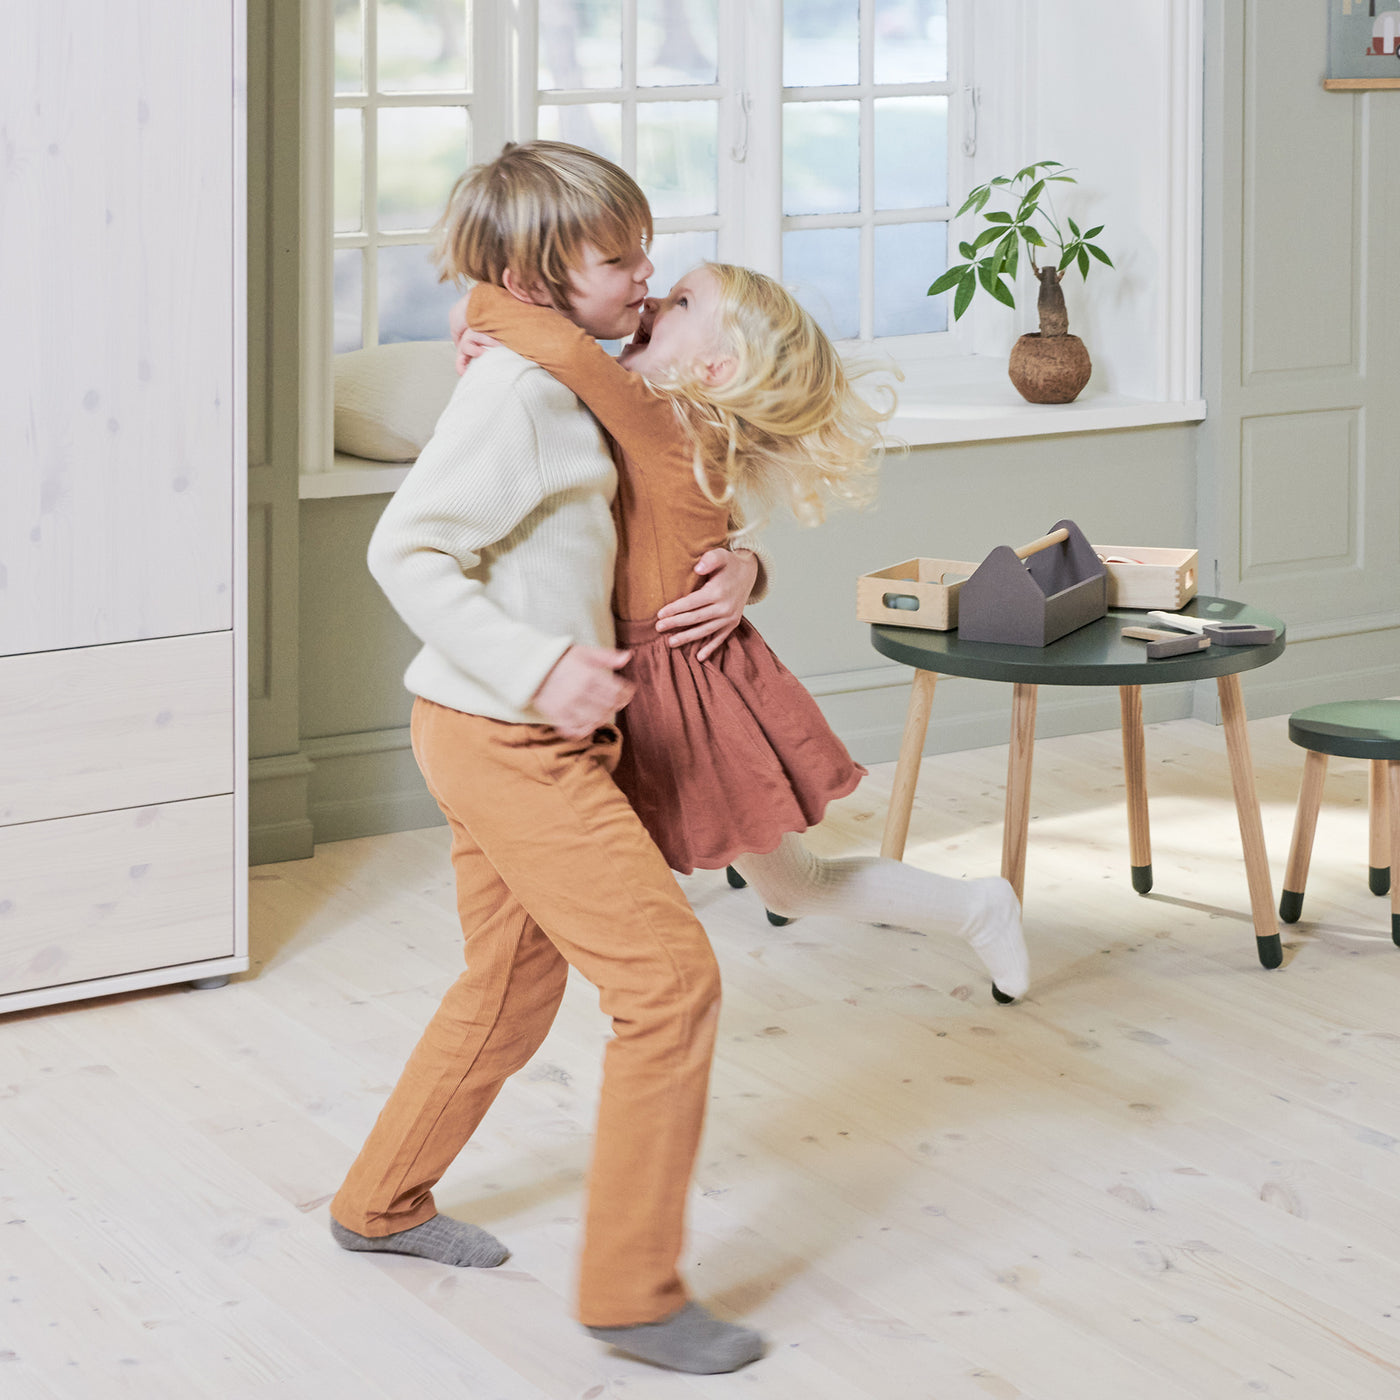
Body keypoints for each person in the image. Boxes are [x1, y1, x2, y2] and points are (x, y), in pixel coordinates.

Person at [327, 140, 766, 1376]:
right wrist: (534, 667)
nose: (645, 277)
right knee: (668, 984)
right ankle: (632, 1293)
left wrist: (743, 566)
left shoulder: (574, 374)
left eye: (643, 249)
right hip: (506, 733)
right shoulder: (520, 390)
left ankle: (379, 1200)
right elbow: (405, 552)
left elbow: (661, 524)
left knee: (508, 987)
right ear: (533, 274)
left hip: (507, 728)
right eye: (617, 259)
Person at [457, 257, 1030, 1003]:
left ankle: (980, 909)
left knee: (792, 885)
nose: (657, 295)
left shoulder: (664, 426)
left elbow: (564, 351)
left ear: (716, 367)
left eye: (684, 301)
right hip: (628, 668)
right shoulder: (663, 421)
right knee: (766, 881)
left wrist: (480, 302)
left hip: (676, 689)